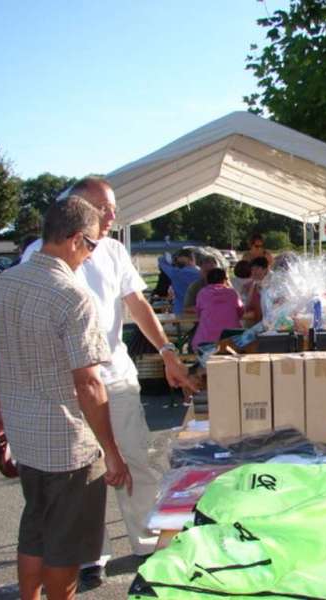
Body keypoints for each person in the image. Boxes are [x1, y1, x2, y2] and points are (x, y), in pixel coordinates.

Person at [22, 176, 196, 588]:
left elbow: (137, 304)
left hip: (115, 379)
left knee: (133, 459)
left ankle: (150, 541)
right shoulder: (39, 253)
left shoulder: (116, 250)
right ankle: (88, 556)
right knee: (82, 476)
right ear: (79, 207)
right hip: (66, 387)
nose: (114, 216)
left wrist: (168, 352)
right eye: (106, 209)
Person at [0, 197, 132, 600]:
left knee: (35, 530)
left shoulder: (6, 282)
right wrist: (111, 451)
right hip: (67, 444)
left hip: (25, 433)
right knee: (65, 544)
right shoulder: (72, 295)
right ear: (77, 240)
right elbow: (90, 385)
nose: (93, 253)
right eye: (94, 244)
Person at [192, 268, 244, 348]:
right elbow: (240, 312)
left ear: (207, 280)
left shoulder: (202, 293)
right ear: (224, 280)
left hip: (206, 340)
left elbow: (199, 313)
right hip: (231, 339)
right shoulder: (232, 293)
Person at [157, 248, 201, 315]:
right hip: (200, 311)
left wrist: (171, 260)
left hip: (180, 311)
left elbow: (161, 259)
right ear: (192, 259)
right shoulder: (201, 273)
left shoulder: (175, 272)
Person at [242, 256, 269, 326]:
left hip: (268, 324)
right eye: (252, 269)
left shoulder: (272, 286)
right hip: (251, 324)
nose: (254, 272)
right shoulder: (246, 286)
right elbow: (245, 305)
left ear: (265, 270)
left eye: (257, 269)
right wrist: (253, 286)